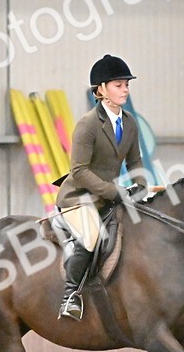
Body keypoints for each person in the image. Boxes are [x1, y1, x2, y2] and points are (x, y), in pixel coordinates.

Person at [52, 54, 150, 320]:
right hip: (78, 198)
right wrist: (114, 192)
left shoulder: (129, 122)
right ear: (101, 90)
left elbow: (135, 160)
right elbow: (79, 171)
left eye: (126, 85)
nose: (125, 89)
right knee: (92, 237)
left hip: (108, 198)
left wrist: (141, 185)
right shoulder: (88, 125)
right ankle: (69, 296)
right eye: (119, 85)